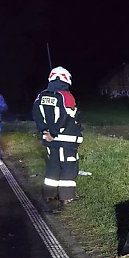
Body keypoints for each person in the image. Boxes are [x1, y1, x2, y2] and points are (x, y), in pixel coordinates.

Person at [32, 67, 83, 204]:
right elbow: (66, 117)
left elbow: (36, 115)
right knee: (69, 166)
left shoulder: (41, 95)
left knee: (53, 166)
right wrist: (54, 133)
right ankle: (67, 196)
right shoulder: (66, 96)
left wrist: (44, 131)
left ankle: (49, 194)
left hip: (49, 139)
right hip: (65, 139)